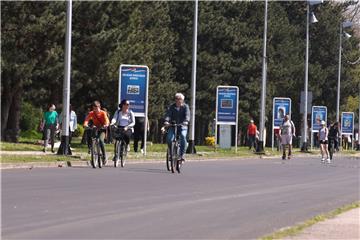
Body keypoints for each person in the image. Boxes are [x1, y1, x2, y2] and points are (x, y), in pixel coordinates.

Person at [163, 93, 190, 161]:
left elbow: (187, 115)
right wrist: (166, 121)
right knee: (169, 138)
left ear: (182, 100)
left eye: (179, 99)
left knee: (183, 136)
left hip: (182, 125)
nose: (177, 100)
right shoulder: (172, 107)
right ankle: (170, 151)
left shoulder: (185, 107)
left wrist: (186, 121)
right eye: (176, 98)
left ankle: (182, 154)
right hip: (173, 125)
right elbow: (168, 115)